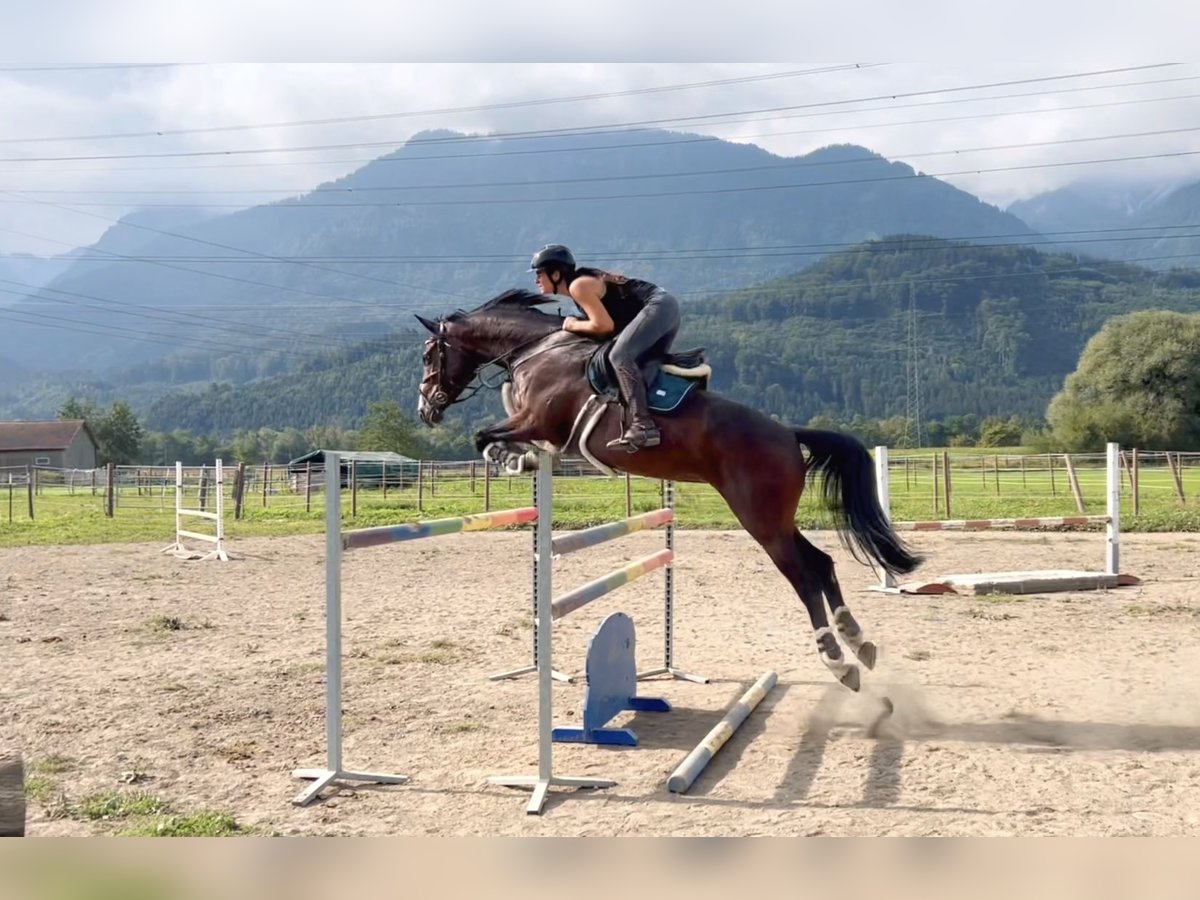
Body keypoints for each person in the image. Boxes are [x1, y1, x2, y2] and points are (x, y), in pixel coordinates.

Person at [530, 243, 680, 452]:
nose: (536, 279)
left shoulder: (578, 286)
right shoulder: (580, 287)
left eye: (539, 273)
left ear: (555, 274)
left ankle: (643, 425)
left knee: (620, 356)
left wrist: (571, 324)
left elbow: (603, 326)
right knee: (633, 361)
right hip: (665, 308)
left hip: (657, 306)